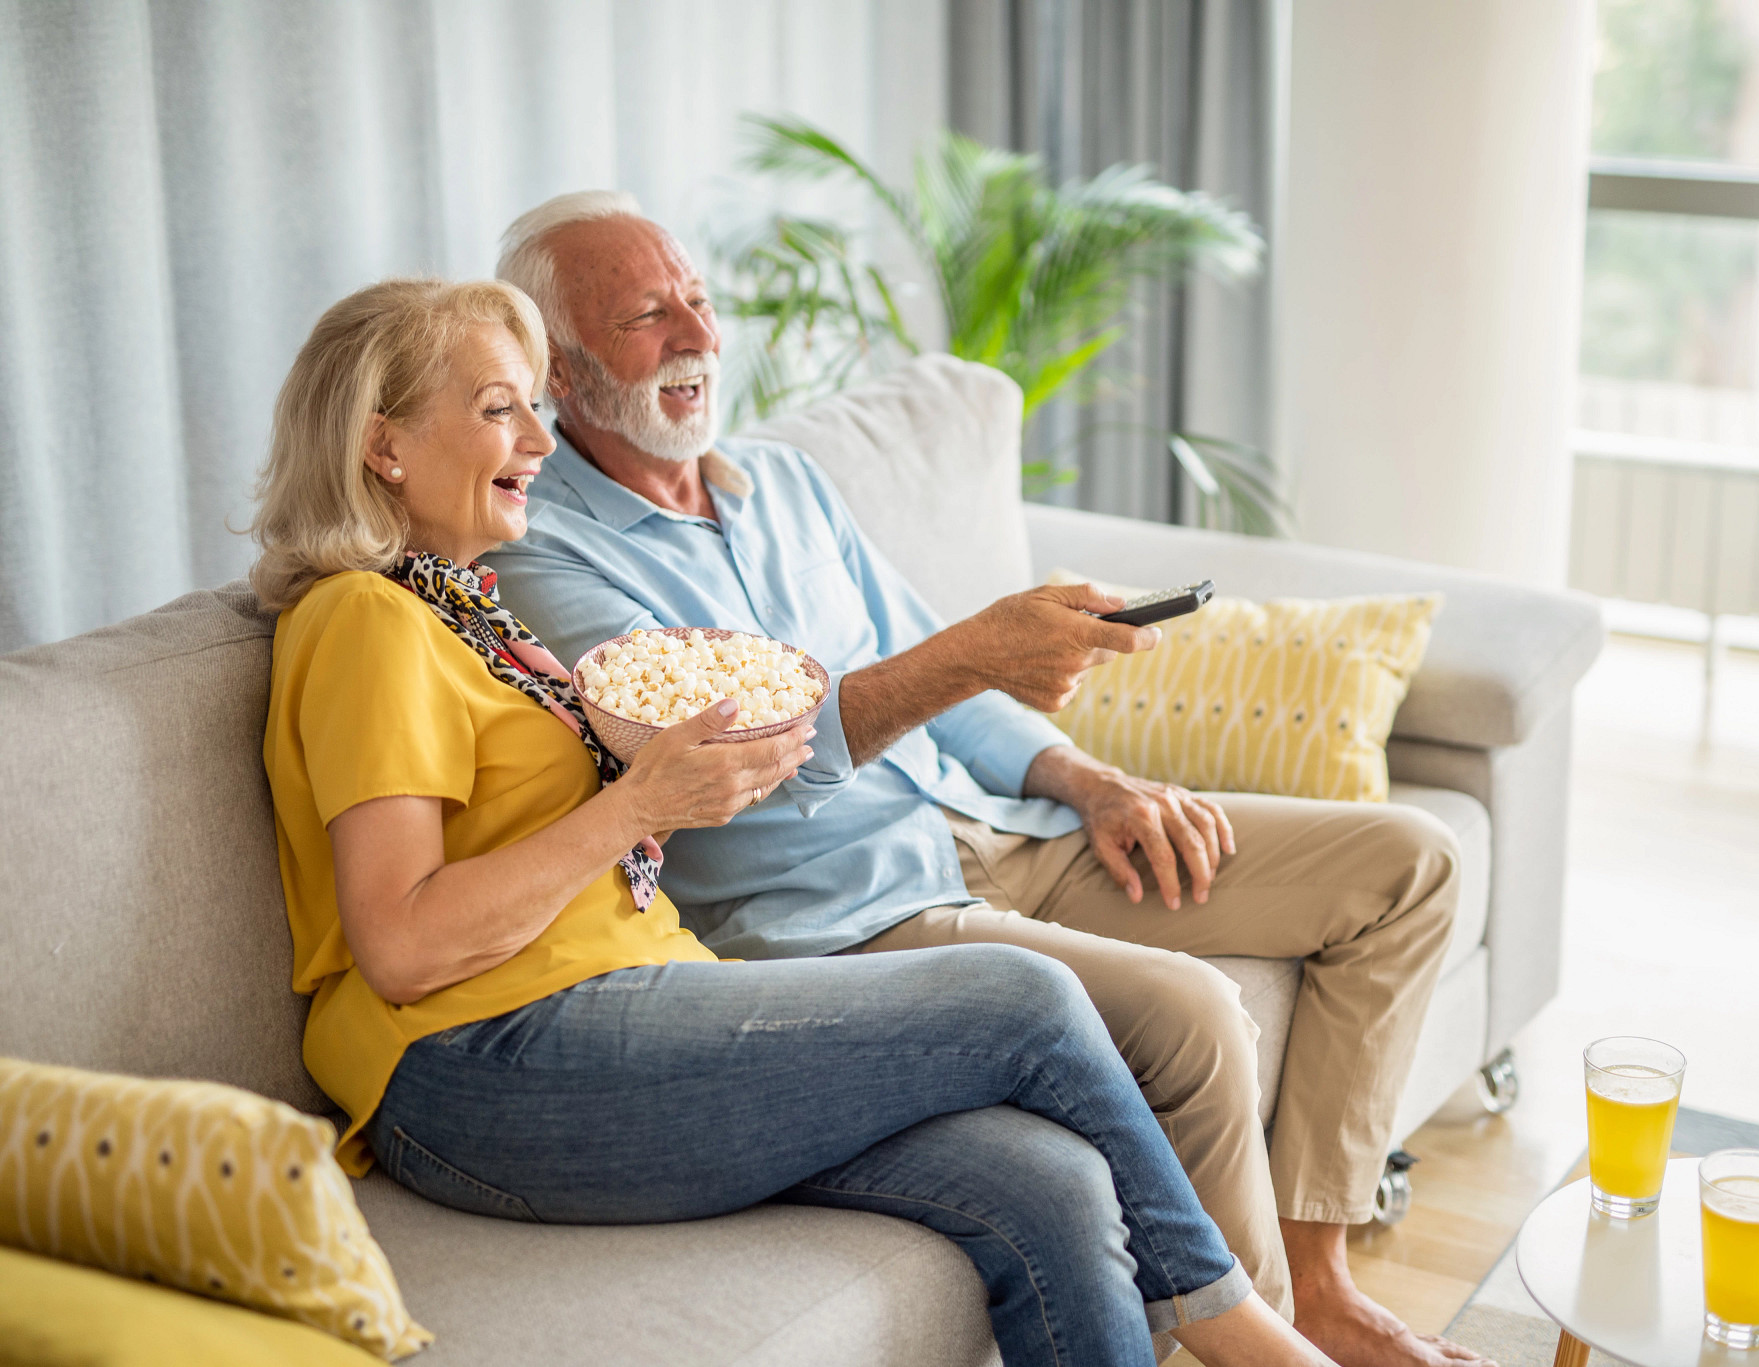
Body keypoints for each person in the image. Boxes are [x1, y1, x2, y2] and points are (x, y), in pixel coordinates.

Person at [251, 275, 1345, 1367]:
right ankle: (1249, 1338)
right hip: (477, 1062)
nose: (540, 437)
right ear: (383, 444)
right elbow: (398, 940)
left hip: (624, 1001)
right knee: (1027, 996)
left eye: (534, 404)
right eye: (501, 408)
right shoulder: (363, 619)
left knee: (1050, 1179)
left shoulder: (468, 610)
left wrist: (673, 786)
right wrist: (639, 803)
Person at [486, 191, 1490, 1367]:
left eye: (696, 300)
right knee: (1199, 1015)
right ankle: (1262, 1337)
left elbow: (939, 679)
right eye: (646, 316)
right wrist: (974, 649)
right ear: (557, 369)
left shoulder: (786, 485)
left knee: (1407, 862)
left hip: (986, 826)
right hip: (845, 918)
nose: (696, 335)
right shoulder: (540, 553)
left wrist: (1086, 778)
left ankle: (1315, 1281)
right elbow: (734, 755)